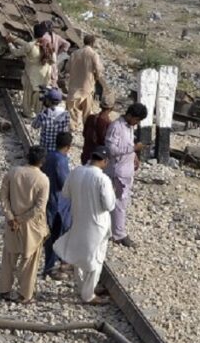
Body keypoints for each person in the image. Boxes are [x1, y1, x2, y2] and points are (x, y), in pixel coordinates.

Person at [53, 146, 116, 304]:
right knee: (96, 259)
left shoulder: (76, 172)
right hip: (97, 224)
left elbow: (66, 193)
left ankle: (83, 288)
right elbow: (109, 205)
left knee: (80, 255)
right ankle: (89, 295)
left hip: (78, 219)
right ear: (105, 161)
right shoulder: (102, 179)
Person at [0, 145, 50, 305]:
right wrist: (21, 219)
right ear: (42, 161)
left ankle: (4, 289)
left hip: (12, 223)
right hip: (31, 225)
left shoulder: (13, 173)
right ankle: (25, 294)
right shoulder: (43, 179)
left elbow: (3, 197)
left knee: (9, 256)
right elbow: (39, 207)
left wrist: (11, 217)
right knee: (30, 261)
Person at [105, 103, 148, 248]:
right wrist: (133, 148)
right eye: (137, 119)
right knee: (119, 204)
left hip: (126, 171)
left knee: (120, 203)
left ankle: (114, 231)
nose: (137, 123)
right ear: (130, 115)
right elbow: (111, 150)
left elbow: (127, 145)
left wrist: (134, 155)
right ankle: (119, 234)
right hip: (118, 171)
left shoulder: (129, 127)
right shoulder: (116, 127)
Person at [41, 132, 72, 279]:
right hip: (58, 202)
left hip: (48, 199)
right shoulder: (61, 160)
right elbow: (64, 183)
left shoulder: (48, 156)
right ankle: (51, 266)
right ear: (68, 147)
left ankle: (57, 262)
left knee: (52, 234)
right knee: (57, 234)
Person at [6, 27, 52, 118]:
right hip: (44, 75)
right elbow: (26, 44)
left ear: (34, 33)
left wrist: (10, 43)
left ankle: (28, 113)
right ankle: (38, 113)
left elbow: (16, 52)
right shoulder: (48, 45)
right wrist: (15, 38)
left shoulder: (31, 46)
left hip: (32, 75)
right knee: (39, 96)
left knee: (28, 94)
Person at [65, 35, 104, 131]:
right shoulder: (94, 54)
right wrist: (96, 77)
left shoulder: (74, 53)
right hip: (87, 87)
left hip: (73, 87)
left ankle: (72, 128)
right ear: (92, 43)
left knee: (72, 110)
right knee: (87, 112)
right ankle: (86, 130)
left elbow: (67, 68)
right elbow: (99, 70)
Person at [81, 94, 116, 164]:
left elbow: (84, 134)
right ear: (112, 108)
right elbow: (107, 144)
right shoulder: (109, 124)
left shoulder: (90, 118)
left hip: (86, 156)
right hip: (98, 160)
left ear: (100, 105)